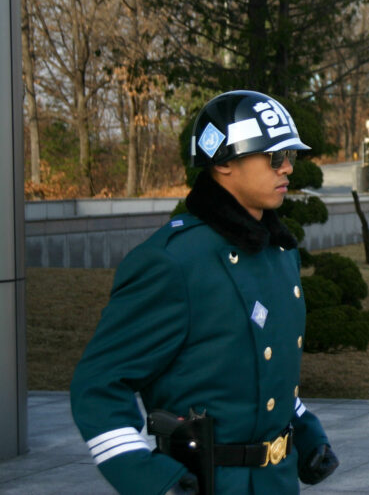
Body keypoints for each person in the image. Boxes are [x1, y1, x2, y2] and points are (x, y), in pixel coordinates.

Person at [70, 90, 339, 495]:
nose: (287, 168)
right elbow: (99, 384)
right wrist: (149, 478)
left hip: (277, 482)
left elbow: (263, 370)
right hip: (208, 482)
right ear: (224, 162)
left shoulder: (279, 253)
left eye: (291, 156)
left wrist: (306, 432)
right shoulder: (174, 263)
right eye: (273, 157)